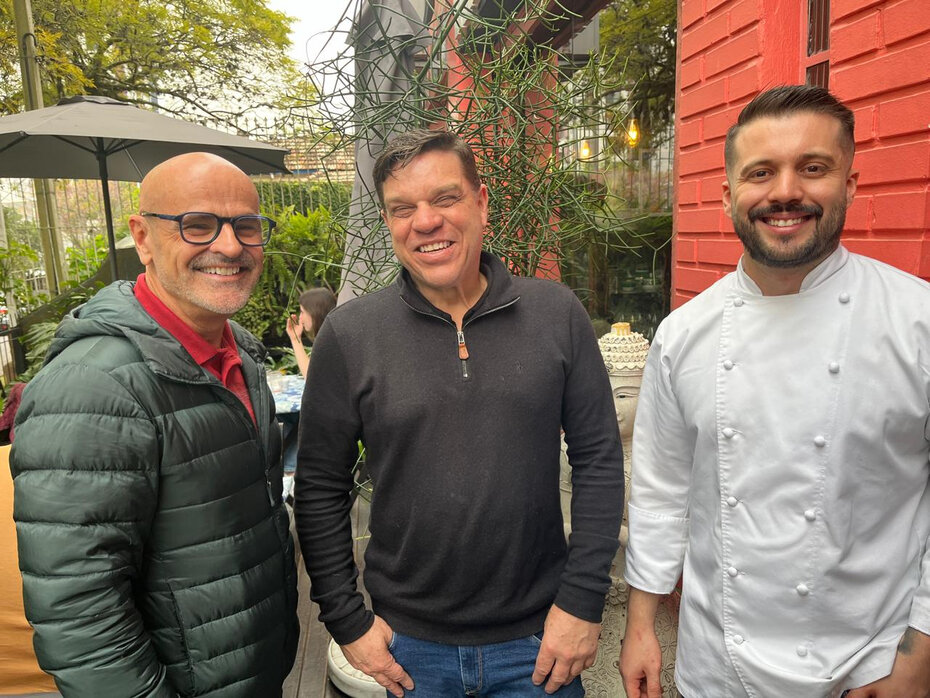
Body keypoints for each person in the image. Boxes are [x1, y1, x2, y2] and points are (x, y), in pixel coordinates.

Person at [620, 85, 930, 698]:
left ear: (850, 183)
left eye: (813, 168)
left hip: (870, 669)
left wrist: (919, 657)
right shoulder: (683, 335)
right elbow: (661, 493)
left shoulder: (916, 320)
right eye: (761, 172)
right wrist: (639, 626)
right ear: (730, 193)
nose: (785, 191)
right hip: (716, 670)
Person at [295, 129, 624, 697]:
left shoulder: (555, 314)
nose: (425, 222)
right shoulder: (351, 335)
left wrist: (582, 602)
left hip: (539, 646)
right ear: (389, 223)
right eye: (403, 208)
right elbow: (320, 486)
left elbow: (598, 460)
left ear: (481, 202)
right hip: (408, 649)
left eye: (445, 198)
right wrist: (348, 621)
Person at [10, 152, 300, 697]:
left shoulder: (241, 355)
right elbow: (81, 617)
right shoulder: (93, 387)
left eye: (246, 226)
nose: (231, 246)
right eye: (197, 225)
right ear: (142, 237)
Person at [285, 287, 337, 377]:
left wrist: (295, 340)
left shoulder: (331, 343)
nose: (300, 317)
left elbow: (312, 378)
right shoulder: (331, 337)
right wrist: (295, 338)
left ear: (314, 312)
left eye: (302, 312)